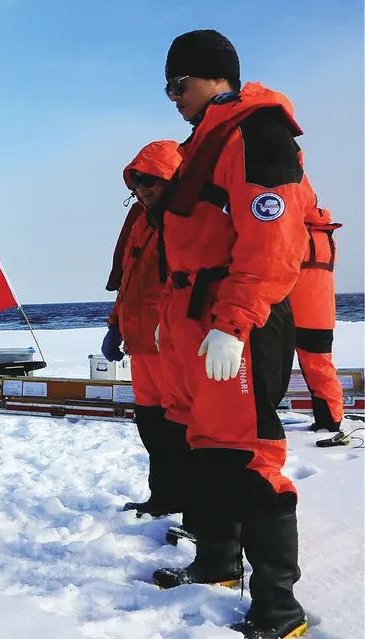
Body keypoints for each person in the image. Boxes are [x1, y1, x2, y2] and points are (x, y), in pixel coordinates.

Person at [150, 31, 311, 639]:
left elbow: (271, 241)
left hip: (235, 323)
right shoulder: (203, 144)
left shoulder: (255, 132)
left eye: (178, 84)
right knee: (208, 448)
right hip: (198, 321)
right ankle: (217, 561)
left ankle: (279, 609)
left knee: (251, 455)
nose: (173, 98)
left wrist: (234, 325)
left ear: (214, 77)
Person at [103, 140, 185, 517]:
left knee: (181, 430)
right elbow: (129, 281)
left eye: (152, 179)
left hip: (170, 344)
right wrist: (115, 327)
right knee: (151, 428)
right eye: (137, 181)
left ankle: (197, 511)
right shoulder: (140, 222)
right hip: (140, 342)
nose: (144, 187)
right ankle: (164, 497)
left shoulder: (185, 221)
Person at [293, 197, 344, 432]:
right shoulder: (326, 236)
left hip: (296, 310)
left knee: (270, 371)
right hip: (322, 312)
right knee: (321, 369)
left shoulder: (296, 233)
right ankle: (331, 419)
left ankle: (329, 421)